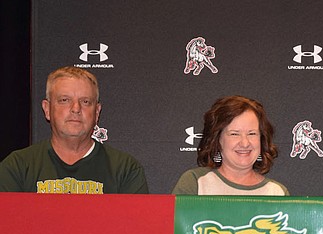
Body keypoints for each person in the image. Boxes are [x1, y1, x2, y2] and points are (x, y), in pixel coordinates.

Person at [0, 66, 148, 194]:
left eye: (85, 101)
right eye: (64, 100)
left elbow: (135, 226)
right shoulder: (17, 167)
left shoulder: (126, 170)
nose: (76, 109)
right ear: (47, 109)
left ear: (96, 112)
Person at [172, 95, 289, 195]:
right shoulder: (195, 183)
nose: (245, 143)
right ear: (217, 139)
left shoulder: (277, 192)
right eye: (234, 134)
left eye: (252, 133)